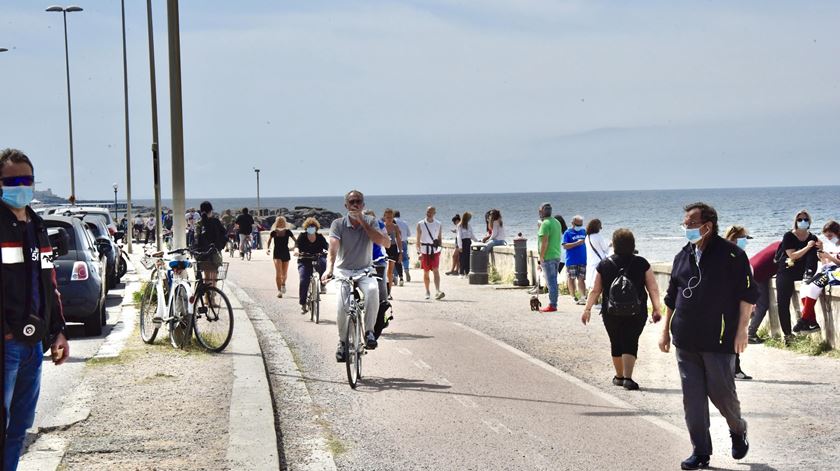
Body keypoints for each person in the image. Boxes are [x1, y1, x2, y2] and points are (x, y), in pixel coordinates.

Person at [659, 202, 756, 470]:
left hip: (719, 340)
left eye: (690, 223)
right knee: (693, 400)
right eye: (685, 223)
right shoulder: (682, 256)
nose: (685, 228)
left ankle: (738, 429)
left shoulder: (733, 256)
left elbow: (748, 296)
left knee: (722, 395)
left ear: (707, 226)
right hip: (685, 340)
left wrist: (741, 331)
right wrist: (665, 330)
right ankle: (700, 451)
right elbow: (672, 298)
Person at [1, 149, 70, 470]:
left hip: (34, 346)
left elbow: (50, 284)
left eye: (26, 180)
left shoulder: (39, 226)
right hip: (7, 345)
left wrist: (58, 332)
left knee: (19, 429)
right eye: (12, 181)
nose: (21, 187)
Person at [582, 228, 662, 390]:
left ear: (614, 245)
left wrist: (587, 309)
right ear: (633, 244)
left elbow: (595, 290)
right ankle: (628, 378)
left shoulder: (604, 265)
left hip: (610, 311)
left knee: (616, 340)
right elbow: (653, 288)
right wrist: (656, 309)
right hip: (636, 311)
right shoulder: (641, 263)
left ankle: (619, 376)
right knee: (631, 340)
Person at [322, 190, 390, 361]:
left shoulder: (371, 221)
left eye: (358, 201)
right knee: (341, 306)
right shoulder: (338, 224)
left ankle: (369, 332)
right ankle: (343, 343)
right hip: (343, 270)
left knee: (373, 290)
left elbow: (381, 241)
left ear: (363, 204)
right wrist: (329, 268)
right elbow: (333, 248)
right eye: (352, 202)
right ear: (346, 205)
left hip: (364, 270)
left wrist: (362, 222)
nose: (355, 205)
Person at [775, 210, 819, 339]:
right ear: (795, 222)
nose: (803, 222)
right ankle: (788, 335)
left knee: (809, 293)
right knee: (783, 303)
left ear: (809, 221)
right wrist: (808, 247)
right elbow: (792, 256)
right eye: (800, 220)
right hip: (787, 269)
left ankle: (808, 323)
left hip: (803, 272)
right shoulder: (788, 236)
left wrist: (820, 248)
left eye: (805, 219)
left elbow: (818, 256)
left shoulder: (812, 237)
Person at [794, 220, 840, 334]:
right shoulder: (831, 244)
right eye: (826, 236)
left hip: (836, 272)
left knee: (814, 287)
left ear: (837, 232)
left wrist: (829, 256)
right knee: (805, 287)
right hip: (829, 270)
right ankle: (812, 322)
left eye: (830, 235)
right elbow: (826, 263)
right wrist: (822, 256)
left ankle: (804, 319)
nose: (829, 238)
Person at [722, 225, 754, 381]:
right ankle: (734, 369)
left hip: (732, 300)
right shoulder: (734, 255)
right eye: (744, 238)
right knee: (732, 335)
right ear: (735, 238)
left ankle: (732, 368)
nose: (745, 241)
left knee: (730, 335)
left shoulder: (728, 253)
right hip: (732, 301)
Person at [746, 240, 780, 344]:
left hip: (750, 268)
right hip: (757, 274)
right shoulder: (787, 250)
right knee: (762, 305)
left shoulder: (778, 243)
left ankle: (746, 330)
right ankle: (750, 334)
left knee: (752, 304)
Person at [191, 200, 227, 290]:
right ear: (210, 211)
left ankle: (207, 299)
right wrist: (220, 246)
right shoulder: (216, 221)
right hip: (215, 252)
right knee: (214, 276)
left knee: (206, 276)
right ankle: (212, 298)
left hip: (203, 254)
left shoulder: (199, 223)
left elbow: (195, 238)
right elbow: (224, 234)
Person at [295, 217, 328, 314]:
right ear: (306, 228)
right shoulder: (302, 236)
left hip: (317, 258)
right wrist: (297, 251)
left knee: (324, 263)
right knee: (304, 280)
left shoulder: (320, 237)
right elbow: (297, 245)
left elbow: (327, 246)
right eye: (309, 227)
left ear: (316, 228)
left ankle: (322, 284)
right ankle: (303, 303)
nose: (311, 228)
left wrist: (330, 251)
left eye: (313, 227)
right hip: (304, 260)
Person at [537, 203, 563, 313]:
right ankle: (553, 303)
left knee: (550, 281)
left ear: (542, 212)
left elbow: (545, 242)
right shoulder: (556, 222)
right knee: (553, 280)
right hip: (556, 255)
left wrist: (541, 256)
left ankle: (553, 304)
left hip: (548, 256)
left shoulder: (545, 224)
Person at [416, 206, 445, 300]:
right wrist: (419, 252)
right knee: (426, 272)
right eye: (427, 211)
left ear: (434, 213)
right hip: (424, 251)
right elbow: (417, 241)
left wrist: (440, 249)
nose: (428, 213)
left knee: (436, 270)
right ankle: (427, 291)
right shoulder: (420, 224)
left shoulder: (438, 224)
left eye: (430, 212)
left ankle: (437, 291)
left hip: (435, 251)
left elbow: (440, 238)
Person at [266, 216, 295, 298]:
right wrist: (267, 249)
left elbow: (296, 241)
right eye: (279, 221)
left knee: (284, 274)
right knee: (278, 273)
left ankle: (283, 284)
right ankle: (279, 291)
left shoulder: (288, 232)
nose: (280, 222)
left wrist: (293, 248)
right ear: (276, 222)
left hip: (286, 253)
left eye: (282, 221)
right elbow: (269, 241)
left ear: (285, 222)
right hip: (277, 254)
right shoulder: (274, 232)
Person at [563, 215, 588, 305]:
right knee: (571, 279)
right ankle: (573, 297)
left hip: (582, 259)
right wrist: (576, 243)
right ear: (573, 223)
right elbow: (565, 246)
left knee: (581, 279)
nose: (579, 226)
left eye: (581, 224)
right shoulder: (567, 233)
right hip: (571, 260)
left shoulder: (583, 231)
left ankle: (582, 297)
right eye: (578, 224)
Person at [584, 219, 611, 293]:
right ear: (597, 227)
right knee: (601, 283)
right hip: (599, 262)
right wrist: (610, 244)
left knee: (592, 283)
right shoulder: (598, 236)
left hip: (590, 262)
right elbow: (605, 249)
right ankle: (598, 302)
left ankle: (594, 301)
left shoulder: (587, 237)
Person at [381, 209, 402, 298]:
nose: (389, 219)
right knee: (382, 270)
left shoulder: (395, 227)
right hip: (384, 248)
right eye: (387, 217)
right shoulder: (381, 226)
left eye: (391, 217)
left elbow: (399, 240)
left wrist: (400, 252)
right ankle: (383, 291)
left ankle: (389, 293)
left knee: (390, 271)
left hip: (393, 248)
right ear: (384, 217)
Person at [394, 210, 411, 284]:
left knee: (395, 259)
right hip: (403, 241)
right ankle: (406, 270)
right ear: (399, 215)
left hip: (394, 242)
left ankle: (396, 276)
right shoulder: (404, 222)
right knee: (405, 257)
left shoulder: (392, 223)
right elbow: (409, 234)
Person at [456, 212, 475, 278]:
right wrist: (460, 246)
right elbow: (459, 236)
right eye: (469, 218)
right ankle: (461, 273)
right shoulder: (459, 225)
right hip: (463, 242)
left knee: (468, 258)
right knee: (462, 258)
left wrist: (477, 241)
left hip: (468, 242)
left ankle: (467, 272)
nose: (469, 219)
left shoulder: (469, 225)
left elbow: (472, 235)